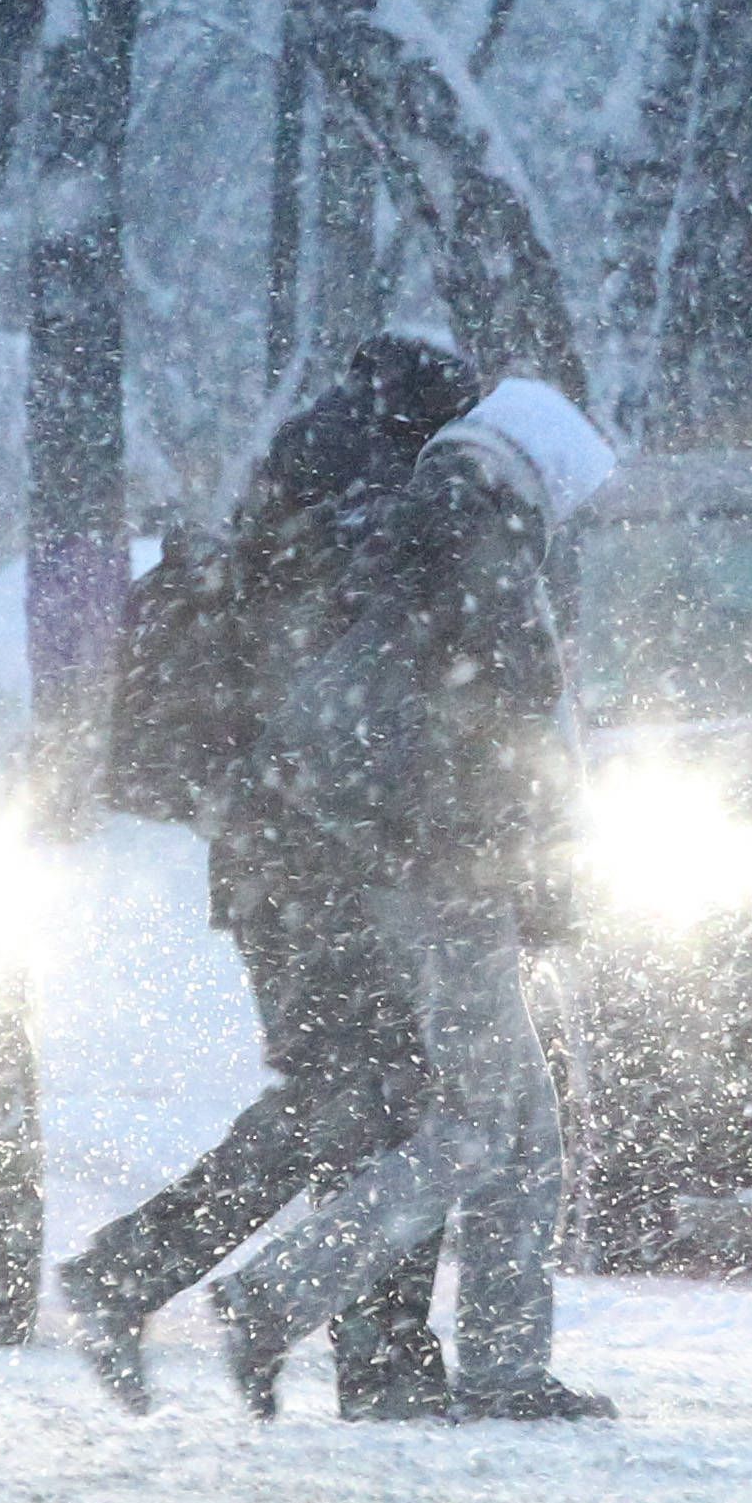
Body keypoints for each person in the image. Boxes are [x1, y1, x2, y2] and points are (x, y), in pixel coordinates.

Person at [59, 333, 479, 1417]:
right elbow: (356, 694)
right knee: (371, 1097)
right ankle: (158, 1284)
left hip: (279, 855)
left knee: (364, 1100)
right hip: (316, 854)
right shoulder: (365, 503)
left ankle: (368, 1352)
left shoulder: (308, 477)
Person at [205, 374, 621, 1424]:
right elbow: (509, 750)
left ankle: (501, 1366)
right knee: (483, 1126)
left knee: (518, 1131)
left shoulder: (423, 534)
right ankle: (275, 1298)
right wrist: (530, 869)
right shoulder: (481, 553)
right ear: (539, 474)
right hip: (457, 888)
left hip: (428, 878)